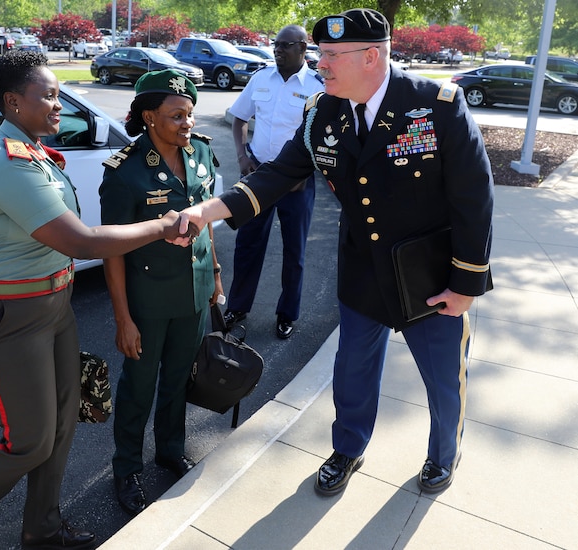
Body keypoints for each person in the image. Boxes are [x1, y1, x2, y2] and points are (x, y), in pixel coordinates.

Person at [173, 8, 493, 497]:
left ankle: (443, 455)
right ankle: (347, 448)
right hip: (363, 267)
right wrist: (206, 211)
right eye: (320, 54)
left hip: (429, 275)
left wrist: (466, 282)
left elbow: (474, 198)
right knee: (351, 373)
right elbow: (277, 175)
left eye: (330, 55)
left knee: (443, 380)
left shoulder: (437, 106)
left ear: (372, 56)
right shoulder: (323, 111)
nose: (320, 64)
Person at [0, 51, 188, 550]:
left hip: (52, 307)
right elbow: (82, 242)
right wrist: (164, 225)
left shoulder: (30, 149)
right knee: (29, 438)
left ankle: (43, 529)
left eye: (58, 94)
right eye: (48, 96)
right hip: (6, 315)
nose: (59, 105)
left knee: (60, 428)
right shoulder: (7, 160)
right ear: (12, 103)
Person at [99, 69, 224, 516]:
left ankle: (170, 448)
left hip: (193, 293)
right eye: (176, 116)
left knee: (178, 378)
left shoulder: (201, 155)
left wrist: (214, 273)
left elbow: (206, 218)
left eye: (189, 114)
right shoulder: (125, 171)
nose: (186, 123)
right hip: (147, 301)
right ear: (149, 116)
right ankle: (126, 467)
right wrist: (122, 318)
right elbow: (112, 251)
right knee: (139, 386)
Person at [224, 24, 324, 339]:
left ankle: (286, 314)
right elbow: (240, 117)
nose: (277, 50)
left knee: (294, 251)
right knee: (248, 244)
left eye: (284, 45)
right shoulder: (260, 79)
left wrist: (306, 170)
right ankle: (238, 306)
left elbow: (325, 138)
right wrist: (242, 157)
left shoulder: (317, 87)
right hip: (258, 177)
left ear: (302, 49)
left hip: (297, 183)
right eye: (275, 45)